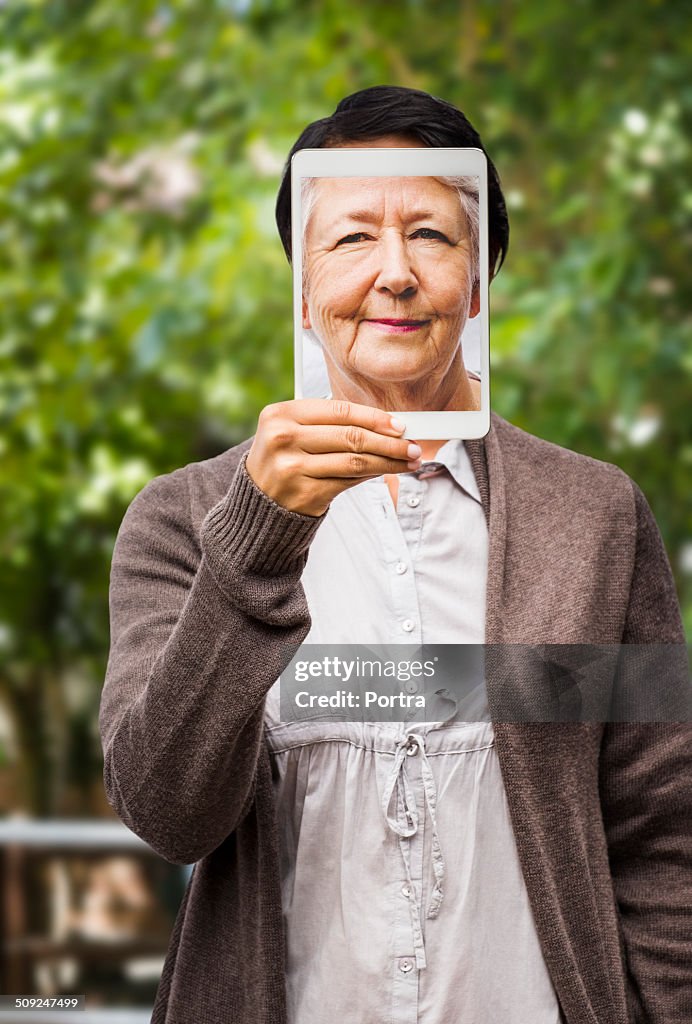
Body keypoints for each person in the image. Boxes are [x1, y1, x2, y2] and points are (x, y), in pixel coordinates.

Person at [99, 86, 690, 1024]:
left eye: (431, 234)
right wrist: (258, 538)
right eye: (349, 240)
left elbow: (661, 829)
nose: (396, 273)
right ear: (300, 286)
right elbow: (167, 811)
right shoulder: (183, 518)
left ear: (481, 280)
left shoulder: (597, 515)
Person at [300, 171, 482, 411]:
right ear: (302, 296)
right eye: (354, 238)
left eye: (428, 234)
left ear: (477, 285)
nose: (397, 276)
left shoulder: (540, 448)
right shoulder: (258, 451)